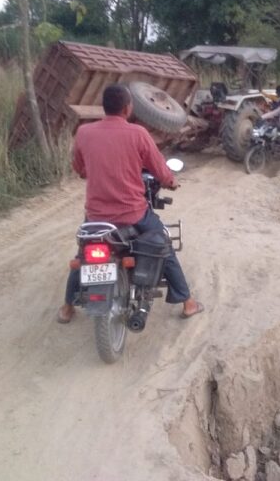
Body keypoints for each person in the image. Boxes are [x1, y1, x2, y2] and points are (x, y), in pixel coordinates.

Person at [57, 84, 203, 324]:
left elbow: (80, 169)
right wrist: (171, 182)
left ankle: (66, 307)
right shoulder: (138, 134)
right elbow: (160, 171)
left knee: (84, 254)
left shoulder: (84, 132)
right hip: (134, 214)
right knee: (163, 245)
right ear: (127, 108)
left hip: (96, 217)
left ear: (104, 107)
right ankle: (187, 302)